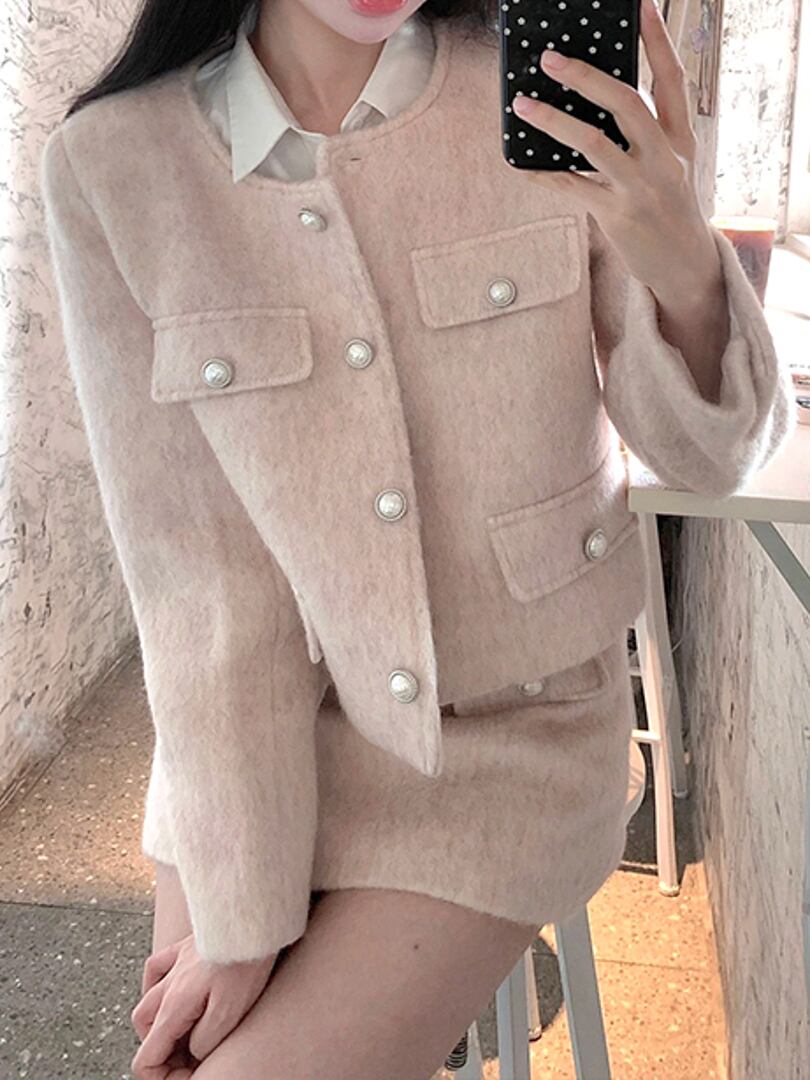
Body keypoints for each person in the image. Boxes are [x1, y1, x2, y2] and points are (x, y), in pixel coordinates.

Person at [39, 0, 794, 1075]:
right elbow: (201, 586)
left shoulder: (546, 99)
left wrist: (683, 258)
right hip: (270, 734)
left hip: (521, 741)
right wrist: (240, 909)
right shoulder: (117, 166)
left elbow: (710, 460)